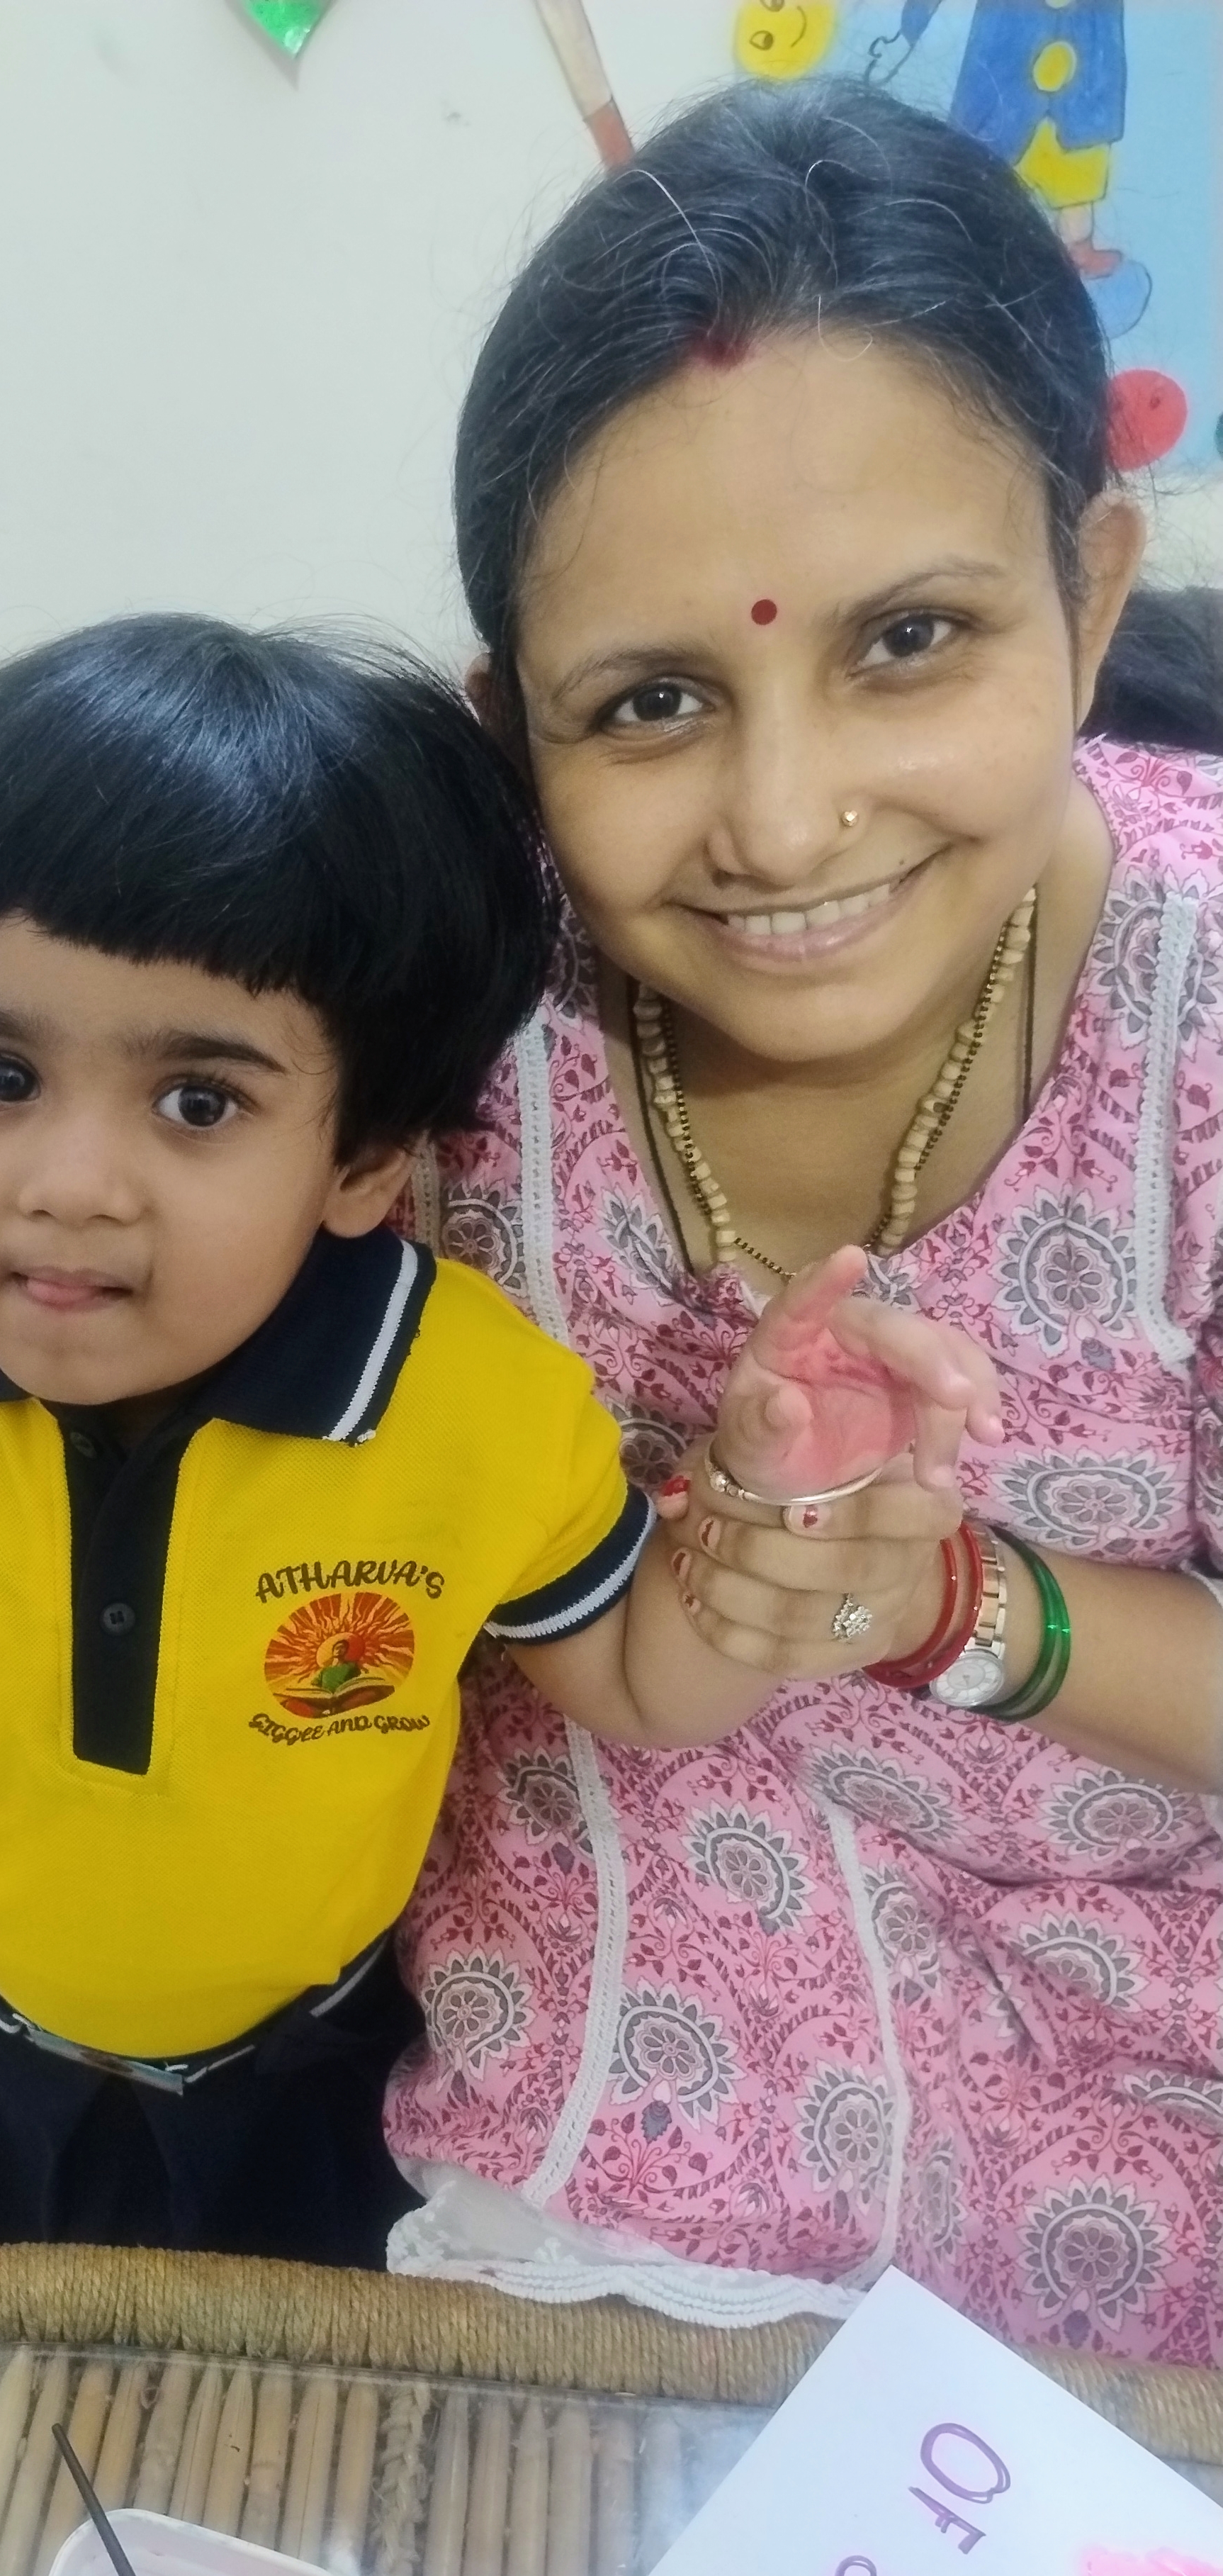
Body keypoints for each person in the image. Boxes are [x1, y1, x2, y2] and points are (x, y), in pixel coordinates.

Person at [0, 615, 992, 2269]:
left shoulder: (471, 1405)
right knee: (12, 2340)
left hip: (311, 2074)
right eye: (1, 1074)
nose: (69, 1180)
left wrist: (778, 1497)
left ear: (365, 1160)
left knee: (279, 2411)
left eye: (198, 1104)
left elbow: (645, 1686)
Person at [378, 78, 1223, 2363]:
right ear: (511, 729)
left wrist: (948, 1600)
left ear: (1096, 584)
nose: (781, 817)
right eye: (651, 702)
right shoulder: (453, 994)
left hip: (1155, 1941)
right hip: (633, 1916)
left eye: (909, 642)